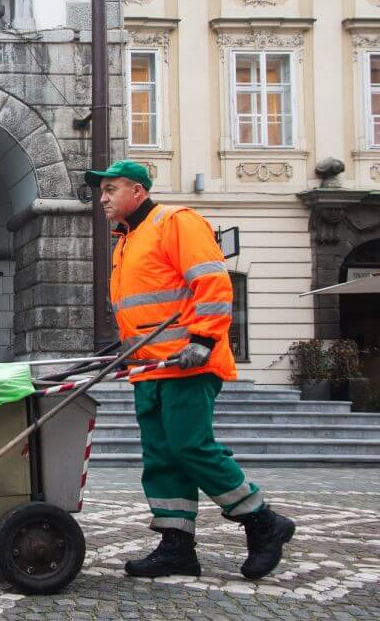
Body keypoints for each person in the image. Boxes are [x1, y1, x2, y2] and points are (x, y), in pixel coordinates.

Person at [84, 160, 296, 580]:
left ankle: (263, 521)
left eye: (111, 189)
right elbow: (145, 308)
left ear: (138, 191)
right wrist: (126, 349)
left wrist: (202, 340)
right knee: (162, 457)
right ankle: (176, 545)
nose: (103, 198)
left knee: (190, 447)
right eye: (102, 191)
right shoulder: (127, 238)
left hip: (187, 363)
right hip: (150, 366)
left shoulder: (176, 222)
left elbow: (213, 283)